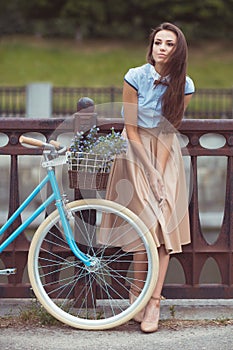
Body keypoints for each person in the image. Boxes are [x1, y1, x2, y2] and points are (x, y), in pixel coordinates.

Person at [101, 22, 195, 333]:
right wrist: (150, 171)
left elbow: (170, 131)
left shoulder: (185, 84)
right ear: (151, 47)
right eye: (158, 42)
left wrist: (161, 172)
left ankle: (153, 300)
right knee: (143, 226)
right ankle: (136, 296)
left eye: (169, 44)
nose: (162, 48)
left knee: (164, 224)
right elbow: (130, 129)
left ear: (177, 50)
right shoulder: (135, 76)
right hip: (135, 152)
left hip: (165, 153)